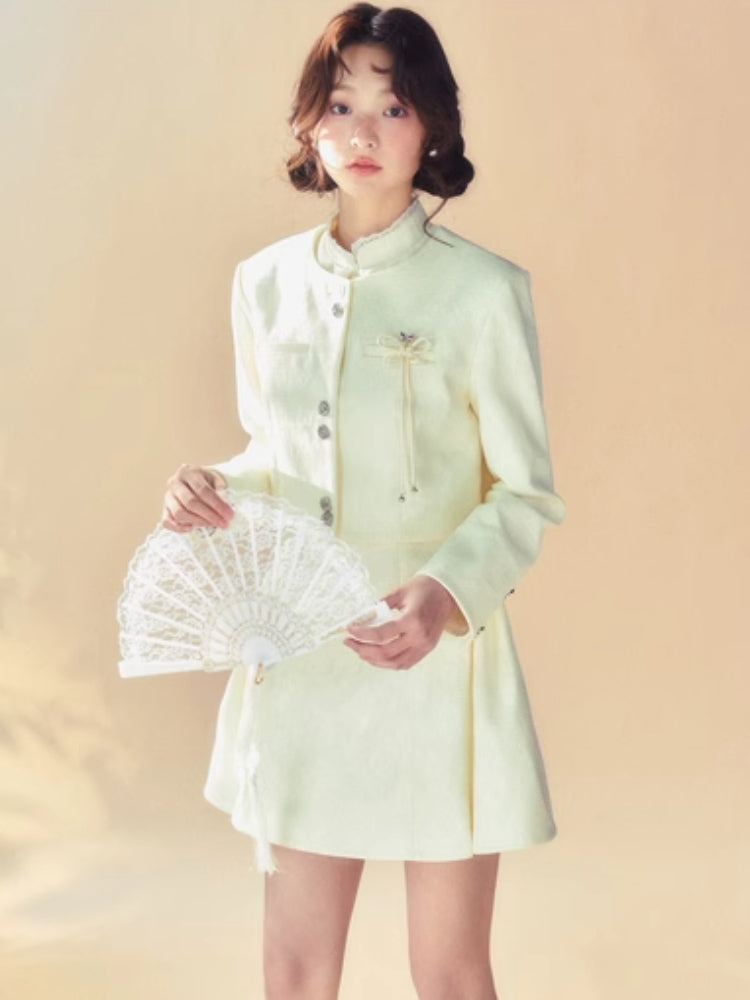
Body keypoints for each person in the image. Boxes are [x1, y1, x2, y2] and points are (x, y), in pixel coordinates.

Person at [161, 4, 565, 998]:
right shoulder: (263, 284)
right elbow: (277, 457)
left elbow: (525, 494)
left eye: (393, 107)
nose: (363, 131)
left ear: (433, 128)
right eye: (340, 106)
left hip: (438, 660)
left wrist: (443, 592)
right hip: (306, 650)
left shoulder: (483, 291)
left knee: (451, 971)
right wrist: (211, 486)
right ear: (309, 125)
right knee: (295, 969)